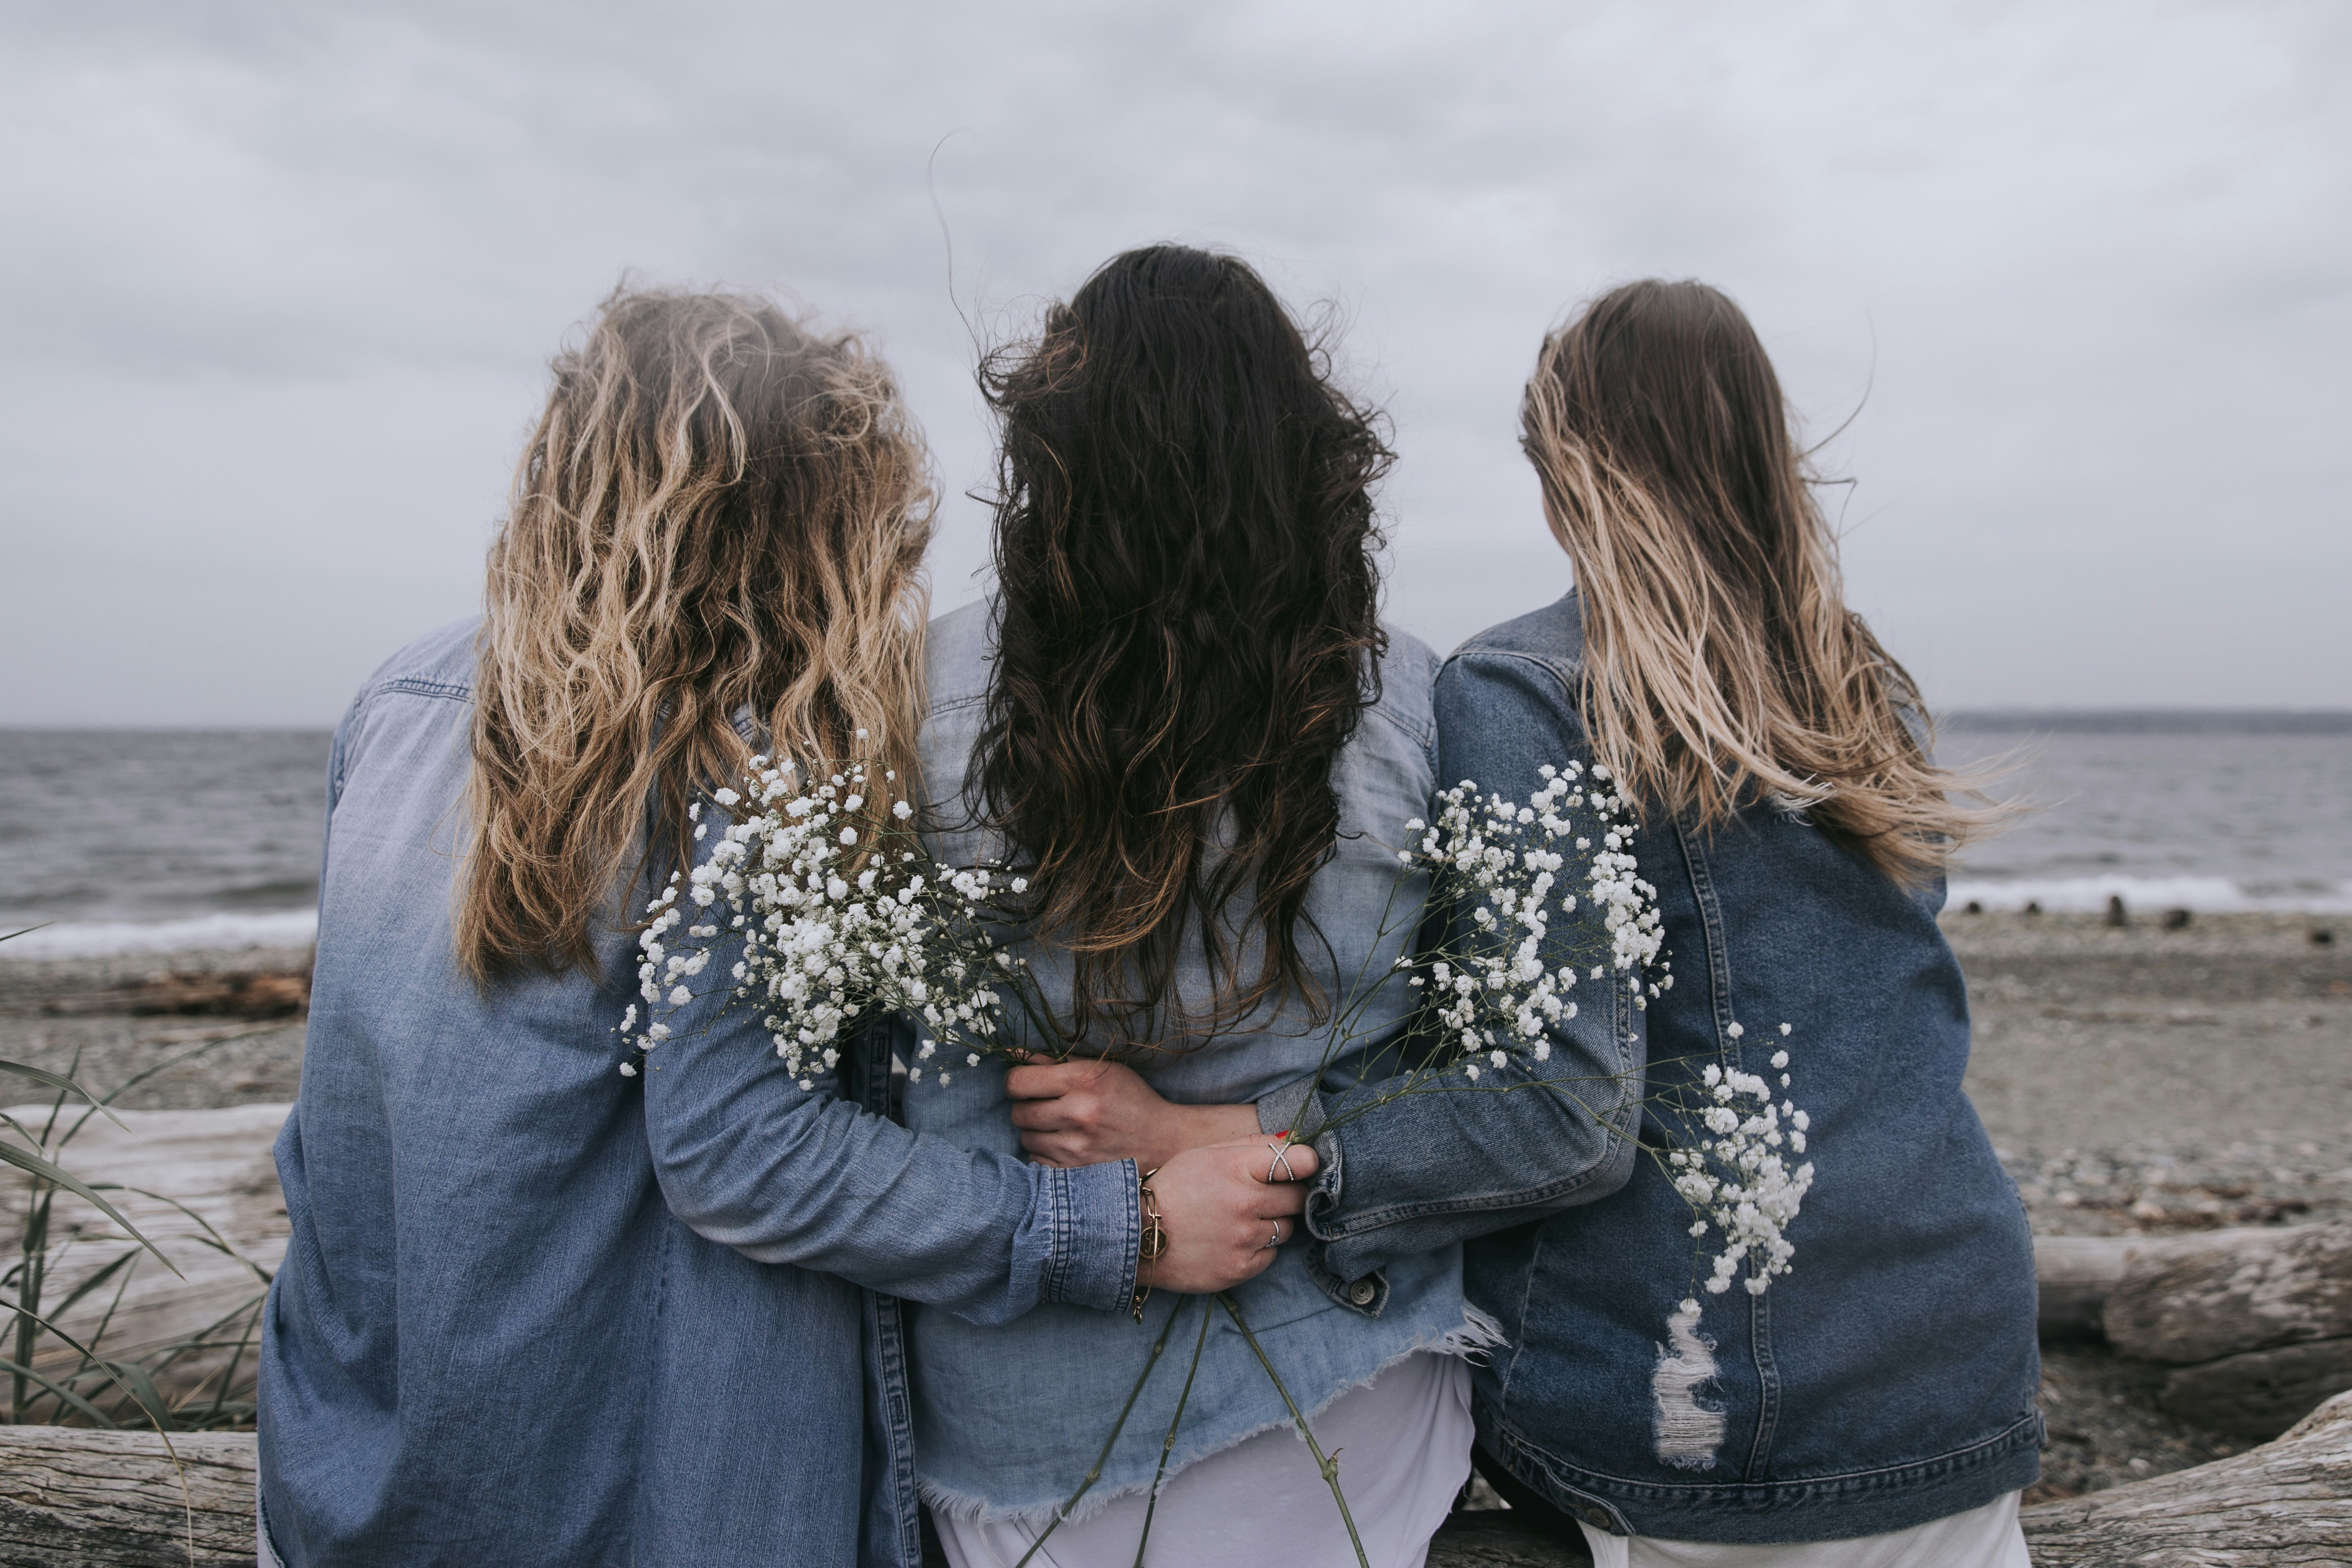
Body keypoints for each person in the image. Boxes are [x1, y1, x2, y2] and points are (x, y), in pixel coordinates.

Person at [255, 286, 1314, 1568]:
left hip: (354, 1485)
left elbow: (335, 1122)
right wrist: (1127, 1227)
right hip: (651, 1509)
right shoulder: (743, 765)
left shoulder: (405, 703)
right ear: (802, 523)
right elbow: (741, 1147)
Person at [1013, 279, 2042, 1565]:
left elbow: (1558, 1113)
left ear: (1562, 469)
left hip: (1707, 1402)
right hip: (1957, 1347)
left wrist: (1216, 1131)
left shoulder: (1527, 691)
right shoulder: (1859, 679)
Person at [902, 245, 1484, 1568]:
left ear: (1053, 453)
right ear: (1306, 452)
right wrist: (1262, 1128)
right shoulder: (1415, 702)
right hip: (1341, 1380)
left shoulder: (907, 695)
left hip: (1017, 1437)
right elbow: (1485, 1069)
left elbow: (894, 1087)